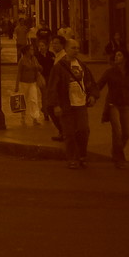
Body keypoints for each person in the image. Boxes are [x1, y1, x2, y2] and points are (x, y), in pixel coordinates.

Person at [46, 37, 97, 169]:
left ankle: (82, 155)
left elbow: (89, 82)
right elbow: (53, 87)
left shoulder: (82, 66)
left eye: (78, 48)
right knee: (69, 133)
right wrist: (56, 105)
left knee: (83, 130)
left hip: (80, 104)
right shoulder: (59, 68)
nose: (76, 50)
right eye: (73, 48)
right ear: (66, 49)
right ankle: (72, 158)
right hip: (66, 105)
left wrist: (92, 96)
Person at [97, 48, 129, 169]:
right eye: (115, 55)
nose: (116, 57)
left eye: (119, 55)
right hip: (112, 104)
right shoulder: (110, 72)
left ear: (125, 58)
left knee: (127, 133)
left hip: (126, 105)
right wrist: (91, 95)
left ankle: (115, 150)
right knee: (117, 130)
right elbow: (100, 84)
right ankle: (119, 158)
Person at [14, 45, 45, 126]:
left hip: (33, 82)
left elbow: (41, 68)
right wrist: (16, 85)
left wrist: (38, 66)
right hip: (23, 83)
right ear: (26, 51)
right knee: (23, 100)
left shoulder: (34, 59)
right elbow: (19, 73)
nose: (32, 50)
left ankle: (35, 118)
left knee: (33, 99)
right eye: (31, 49)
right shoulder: (22, 60)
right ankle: (23, 117)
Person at [39, 34, 63, 141]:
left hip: (59, 89)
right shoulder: (56, 56)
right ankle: (62, 131)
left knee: (52, 107)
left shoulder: (62, 57)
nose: (54, 45)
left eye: (56, 43)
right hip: (51, 84)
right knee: (50, 107)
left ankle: (63, 132)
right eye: (53, 43)